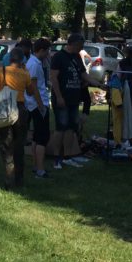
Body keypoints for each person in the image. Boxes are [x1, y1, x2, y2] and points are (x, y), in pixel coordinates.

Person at [0, 47, 42, 189]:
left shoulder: (1, 71)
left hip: (4, 109)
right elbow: (31, 92)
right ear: (22, 60)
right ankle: (19, 180)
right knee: (19, 146)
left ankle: (8, 179)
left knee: (5, 145)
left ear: (10, 58)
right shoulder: (25, 73)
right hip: (20, 110)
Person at [49, 33, 101, 170]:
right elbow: (53, 78)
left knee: (71, 128)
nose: (82, 48)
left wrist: (99, 84)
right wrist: (59, 97)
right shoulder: (58, 57)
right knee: (61, 128)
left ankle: (67, 156)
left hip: (74, 99)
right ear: (72, 44)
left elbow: (84, 75)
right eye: (80, 45)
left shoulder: (77, 57)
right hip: (62, 99)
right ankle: (56, 158)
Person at [25, 38, 52, 178]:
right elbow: (34, 87)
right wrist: (41, 106)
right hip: (38, 105)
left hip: (34, 104)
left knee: (36, 137)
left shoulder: (33, 62)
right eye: (47, 51)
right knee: (42, 138)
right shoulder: (34, 64)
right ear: (41, 50)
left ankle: (36, 166)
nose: (48, 54)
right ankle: (40, 170)